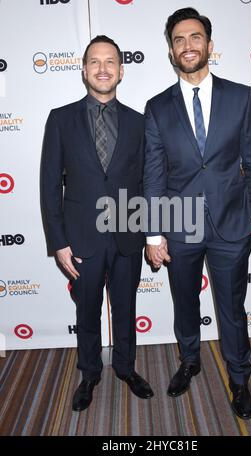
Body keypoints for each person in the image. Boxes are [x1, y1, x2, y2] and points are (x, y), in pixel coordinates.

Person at [144, 8, 251, 420]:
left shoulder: (240, 96)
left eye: (195, 37)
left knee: (232, 307)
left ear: (209, 46)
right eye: (179, 40)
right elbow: (154, 174)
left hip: (232, 223)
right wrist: (154, 234)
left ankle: (239, 377)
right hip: (180, 224)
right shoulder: (157, 107)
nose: (188, 46)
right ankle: (190, 360)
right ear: (171, 51)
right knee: (184, 302)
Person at [41, 35, 153, 412]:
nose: (103, 68)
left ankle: (125, 367)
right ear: (84, 70)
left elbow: (146, 184)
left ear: (121, 71)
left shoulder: (140, 123)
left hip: (127, 236)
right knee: (86, 311)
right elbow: (49, 185)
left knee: (125, 307)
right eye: (95, 62)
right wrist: (58, 241)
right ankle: (89, 373)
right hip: (81, 239)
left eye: (110, 62)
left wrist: (150, 234)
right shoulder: (60, 119)